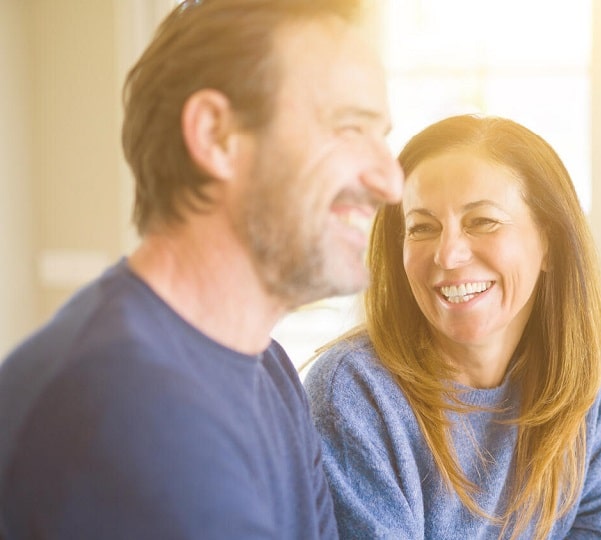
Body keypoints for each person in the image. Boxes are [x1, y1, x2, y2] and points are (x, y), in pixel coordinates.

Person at [0, 0, 402, 538]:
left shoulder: (269, 370)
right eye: (350, 128)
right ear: (216, 136)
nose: (390, 182)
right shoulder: (128, 409)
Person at [304, 114, 601, 539]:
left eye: (482, 221)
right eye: (422, 228)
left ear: (550, 244)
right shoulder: (354, 393)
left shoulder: (588, 358)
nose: (447, 255)